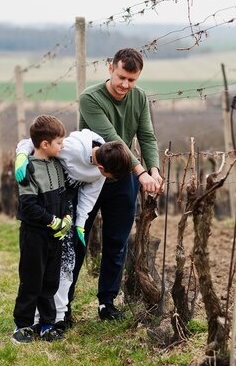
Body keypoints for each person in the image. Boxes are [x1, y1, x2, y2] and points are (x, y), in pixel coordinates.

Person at [73, 47, 162, 321]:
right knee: (77, 240)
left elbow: (146, 136)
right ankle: (61, 304)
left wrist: (154, 170)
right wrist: (141, 172)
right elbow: (113, 138)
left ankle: (106, 304)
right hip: (91, 176)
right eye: (122, 77)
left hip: (123, 180)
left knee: (117, 242)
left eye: (132, 80)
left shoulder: (139, 97)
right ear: (110, 69)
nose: (125, 85)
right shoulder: (90, 98)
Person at [14, 129, 132, 330]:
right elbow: (35, 141)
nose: (105, 178)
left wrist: (80, 224)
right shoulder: (71, 148)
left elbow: (89, 195)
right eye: (107, 175)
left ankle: (58, 316)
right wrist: (22, 155)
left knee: (65, 263)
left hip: (67, 209)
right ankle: (32, 319)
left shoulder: (102, 167)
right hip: (47, 200)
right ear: (102, 167)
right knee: (39, 266)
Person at [11, 115, 72, 344]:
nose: (62, 146)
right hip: (34, 234)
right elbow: (28, 206)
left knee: (50, 281)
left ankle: (47, 324)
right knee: (31, 280)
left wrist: (65, 218)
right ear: (45, 144)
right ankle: (23, 326)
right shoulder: (28, 169)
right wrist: (52, 221)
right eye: (58, 142)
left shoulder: (57, 165)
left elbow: (64, 196)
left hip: (54, 235)